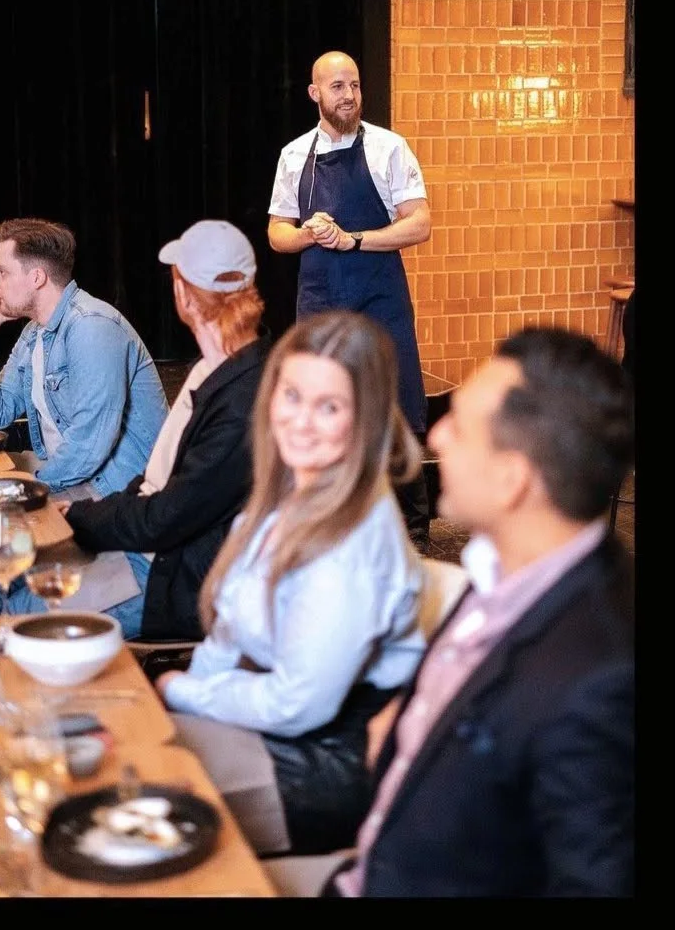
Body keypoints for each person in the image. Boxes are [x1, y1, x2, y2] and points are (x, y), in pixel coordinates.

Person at [264, 326, 635, 897]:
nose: (436, 433)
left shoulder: (598, 678)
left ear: (513, 480)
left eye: (459, 424)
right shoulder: (503, 568)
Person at [153, 310, 428, 856]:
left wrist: (183, 692)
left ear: (366, 419)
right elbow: (228, 634)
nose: (300, 421)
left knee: (127, 807)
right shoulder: (287, 493)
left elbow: (298, 705)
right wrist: (185, 696)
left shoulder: (349, 542)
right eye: (292, 396)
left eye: (329, 407)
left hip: (325, 765)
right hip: (279, 725)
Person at [58, 219, 271, 641]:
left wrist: (78, 516)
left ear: (184, 296)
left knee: (10, 602)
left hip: (177, 582)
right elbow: (158, 481)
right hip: (158, 554)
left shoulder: (247, 401)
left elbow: (163, 519)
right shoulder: (218, 369)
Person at [267, 50, 433, 553]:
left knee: (396, 405)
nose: (350, 96)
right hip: (320, 299)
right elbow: (277, 232)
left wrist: (353, 239)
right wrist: (310, 236)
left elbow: (419, 223)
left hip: (379, 296)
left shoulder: (389, 148)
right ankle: (330, 521)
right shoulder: (295, 155)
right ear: (315, 93)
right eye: (338, 87)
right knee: (321, 406)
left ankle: (411, 530)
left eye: (355, 86)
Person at [0, 217, 168, 615]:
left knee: (12, 607)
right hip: (76, 496)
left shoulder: (91, 326)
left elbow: (89, 446)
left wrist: (19, 492)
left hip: (121, 517)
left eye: (0, 271)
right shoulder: (36, 333)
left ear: (36, 277)